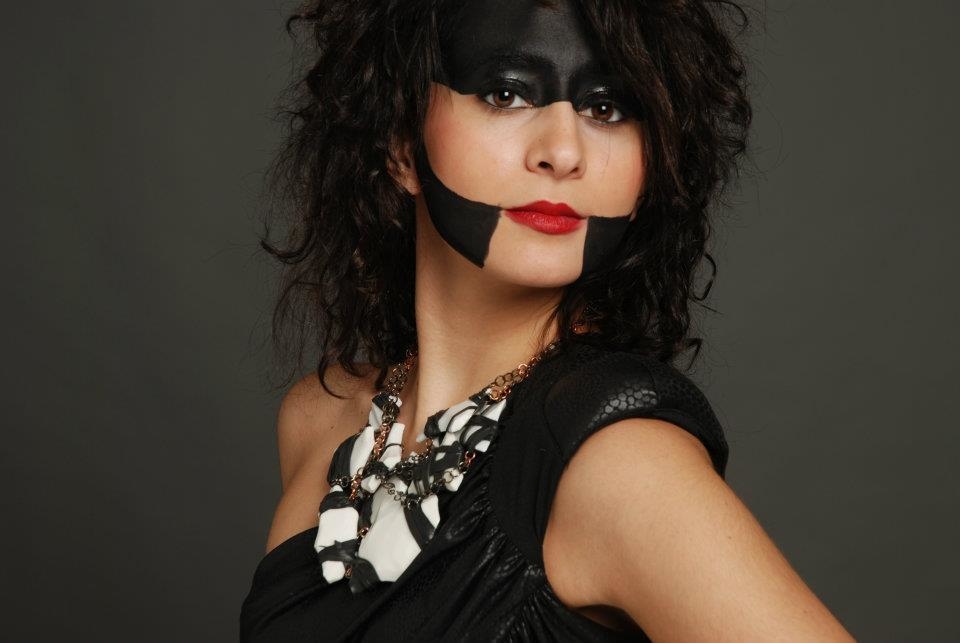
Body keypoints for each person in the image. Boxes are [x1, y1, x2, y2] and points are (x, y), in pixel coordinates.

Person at [240, 0, 855, 640]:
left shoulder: (617, 461)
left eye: (606, 109)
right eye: (506, 94)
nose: (563, 152)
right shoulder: (320, 418)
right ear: (400, 145)